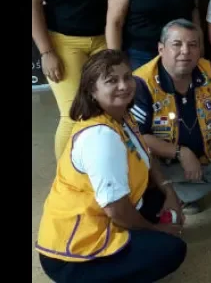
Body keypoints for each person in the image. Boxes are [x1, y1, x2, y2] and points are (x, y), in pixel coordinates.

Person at [35, 50, 187, 282]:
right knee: (172, 249)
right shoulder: (100, 137)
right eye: (111, 81)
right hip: (74, 254)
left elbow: (144, 154)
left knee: (157, 201)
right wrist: (157, 231)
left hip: (101, 217)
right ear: (92, 91)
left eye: (127, 77)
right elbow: (116, 211)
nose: (124, 85)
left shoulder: (122, 115)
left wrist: (169, 190)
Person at [32, 0, 122, 159]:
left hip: (103, 42)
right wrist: (47, 52)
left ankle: (101, 165)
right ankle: (66, 180)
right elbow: (34, 4)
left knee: (108, 107)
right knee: (74, 112)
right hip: (63, 43)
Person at [131, 19, 211, 214]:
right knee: (136, 175)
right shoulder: (142, 83)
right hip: (160, 165)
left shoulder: (210, 71)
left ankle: (177, 195)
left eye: (193, 45)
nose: (186, 51)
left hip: (204, 157)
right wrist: (179, 152)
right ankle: (166, 192)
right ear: (161, 49)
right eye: (177, 44)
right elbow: (137, 136)